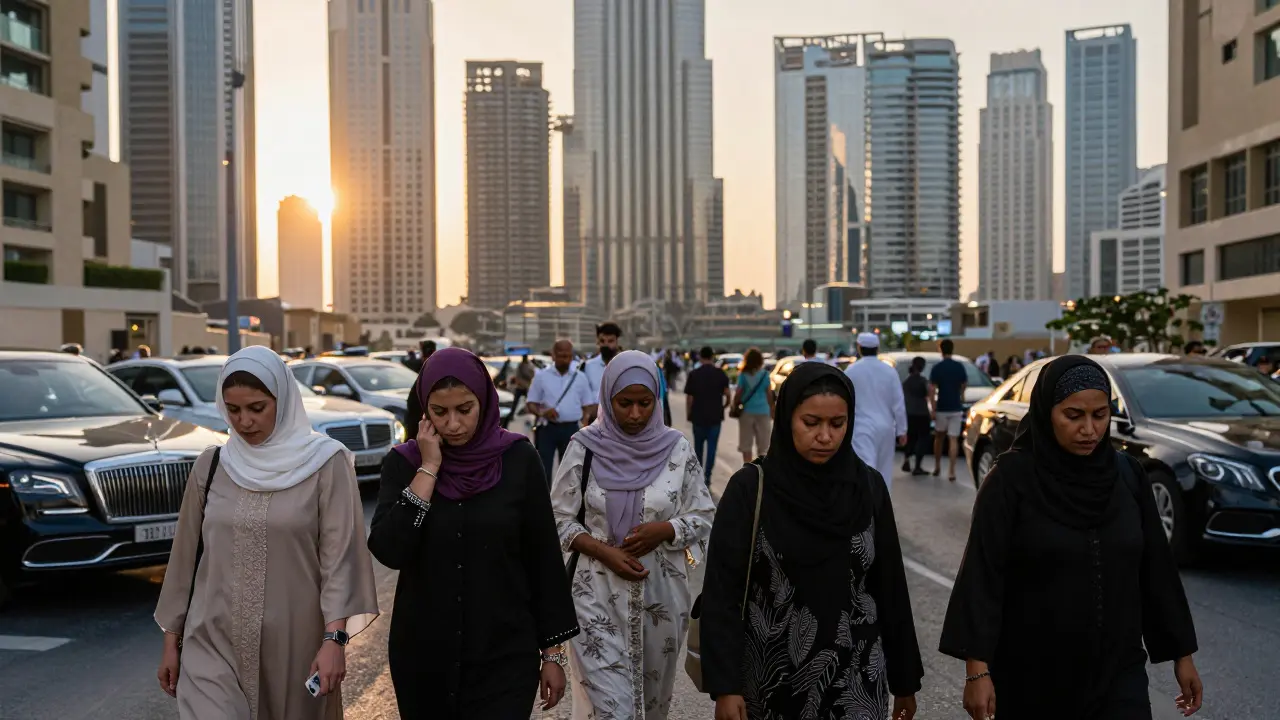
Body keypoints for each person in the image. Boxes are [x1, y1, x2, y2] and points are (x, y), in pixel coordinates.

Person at [940, 355, 1203, 720]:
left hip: (1118, 673)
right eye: (1074, 415)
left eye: (1100, 415)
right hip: (1030, 678)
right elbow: (984, 577)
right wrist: (978, 670)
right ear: (1047, 412)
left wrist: (1182, 655)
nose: (1090, 429)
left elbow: (1155, 570)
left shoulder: (1127, 476)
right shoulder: (1011, 480)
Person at [155, 346, 379, 719]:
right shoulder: (212, 465)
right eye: (233, 409)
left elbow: (340, 560)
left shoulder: (326, 463)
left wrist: (334, 639)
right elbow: (184, 560)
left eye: (257, 408)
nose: (244, 421)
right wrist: (170, 641)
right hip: (211, 640)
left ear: (284, 399)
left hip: (293, 643)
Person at [700, 363, 923, 720]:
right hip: (773, 683)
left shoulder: (868, 488)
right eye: (811, 423)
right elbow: (722, 594)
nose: (825, 436)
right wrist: (725, 688)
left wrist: (905, 681)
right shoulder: (750, 490)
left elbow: (890, 587)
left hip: (859, 679)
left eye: (837, 424)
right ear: (788, 418)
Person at [367, 348, 579, 717]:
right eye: (439, 412)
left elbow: (541, 558)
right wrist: (429, 467)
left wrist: (554, 654)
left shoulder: (517, 459)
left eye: (464, 409)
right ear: (423, 409)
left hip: (505, 654)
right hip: (424, 657)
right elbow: (390, 550)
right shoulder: (404, 464)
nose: (453, 424)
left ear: (483, 400)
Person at [550, 350, 716, 720]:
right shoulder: (584, 447)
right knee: (614, 710)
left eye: (645, 403)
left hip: (662, 595)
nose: (636, 414)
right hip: (595, 595)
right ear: (608, 399)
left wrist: (667, 529)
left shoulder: (677, 448)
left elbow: (704, 512)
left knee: (654, 707)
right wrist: (601, 550)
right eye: (624, 403)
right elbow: (558, 517)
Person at [843, 333, 907, 490]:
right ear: (877, 349)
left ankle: (867, 508)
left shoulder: (851, 371)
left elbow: (844, 402)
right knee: (884, 471)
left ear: (859, 348)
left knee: (866, 469)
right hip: (886, 428)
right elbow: (898, 403)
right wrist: (902, 430)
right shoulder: (890, 372)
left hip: (861, 428)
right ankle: (882, 509)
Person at [527, 339, 596, 481]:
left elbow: (587, 404)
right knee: (544, 469)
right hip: (547, 430)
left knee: (570, 472)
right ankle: (545, 502)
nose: (565, 360)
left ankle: (567, 502)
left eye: (568, 356)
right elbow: (531, 403)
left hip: (570, 430)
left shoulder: (580, 378)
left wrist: (584, 423)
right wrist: (542, 413)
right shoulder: (541, 376)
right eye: (561, 355)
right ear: (553, 356)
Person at [685, 346, 731, 486]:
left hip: (698, 416)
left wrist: (689, 413)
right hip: (715, 417)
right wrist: (724, 406)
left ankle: (698, 477)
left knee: (698, 449)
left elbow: (690, 398)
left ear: (700, 357)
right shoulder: (720, 374)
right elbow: (728, 394)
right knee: (712, 449)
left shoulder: (694, 374)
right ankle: (708, 477)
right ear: (712, 357)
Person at [929, 339, 967, 482]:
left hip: (942, 407)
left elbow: (932, 389)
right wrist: (961, 396)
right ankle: (952, 471)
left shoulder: (937, 368)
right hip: (956, 407)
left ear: (940, 349)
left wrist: (933, 407)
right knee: (953, 439)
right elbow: (964, 384)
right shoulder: (959, 366)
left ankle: (937, 466)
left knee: (939, 438)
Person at [733, 347, 774, 464]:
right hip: (763, 411)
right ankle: (761, 468)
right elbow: (769, 393)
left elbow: (738, 393)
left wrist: (735, 405)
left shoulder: (743, 375)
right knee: (764, 444)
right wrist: (772, 408)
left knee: (746, 444)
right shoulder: (765, 375)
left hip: (747, 412)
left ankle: (747, 468)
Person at [901, 356, 932, 476]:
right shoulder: (923, 381)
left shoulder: (906, 382)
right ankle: (918, 466)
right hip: (922, 413)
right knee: (923, 438)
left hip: (909, 412)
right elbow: (929, 394)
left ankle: (907, 459)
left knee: (911, 437)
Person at [582, 321, 623, 403]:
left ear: (617, 342)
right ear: (598, 342)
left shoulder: (625, 365)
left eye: (610, 341)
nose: (606, 345)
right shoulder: (588, 366)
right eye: (602, 341)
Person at [501, 355, 537, 429]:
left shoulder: (528, 366)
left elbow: (531, 375)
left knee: (530, 403)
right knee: (515, 404)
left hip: (525, 387)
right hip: (520, 387)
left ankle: (533, 418)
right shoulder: (522, 365)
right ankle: (509, 418)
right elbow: (521, 375)